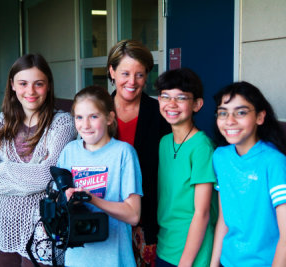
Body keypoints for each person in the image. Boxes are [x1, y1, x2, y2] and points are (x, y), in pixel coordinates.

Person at [0, 54, 77, 267]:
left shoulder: (63, 124)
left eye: (38, 84)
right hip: (4, 223)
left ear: (48, 86)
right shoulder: (0, 123)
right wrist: (29, 180)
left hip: (43, 225)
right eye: (23, 83)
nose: (30, 91)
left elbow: (46, 176)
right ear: (12, 85)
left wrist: (1, 168)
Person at [210, 81, 286, 267]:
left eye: (241, 112)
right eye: (223, 112)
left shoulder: (273, 161)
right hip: (228, 261)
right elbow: (224, 220)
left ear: (260, 117)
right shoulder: (220, 157)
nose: (230, 120)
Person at [56, 85, 143, 267]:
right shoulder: (69, 151)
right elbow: (59, 204)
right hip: (77, 259)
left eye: (93, 117)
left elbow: (133, 215)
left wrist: (91, 199)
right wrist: (65, 200)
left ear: (110, 118)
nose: (85, 125)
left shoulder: (123, 152)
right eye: (79, 117)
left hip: (114, 259)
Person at [107, 39, 171, 267]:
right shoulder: (96, 111)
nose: (132, 82)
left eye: (140, 75)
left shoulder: (160, 114)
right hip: (104, 216)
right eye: (125, 73)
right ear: (112, 71)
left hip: (147, 219)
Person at [154, 68, 218, 267]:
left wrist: (185, 262)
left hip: (192, 254)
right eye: (165, 96)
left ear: (197, 104)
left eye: (181, 98)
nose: (171, 104)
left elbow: (202, 212)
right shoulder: (164, 142)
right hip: (165, 244)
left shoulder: (201, 147)